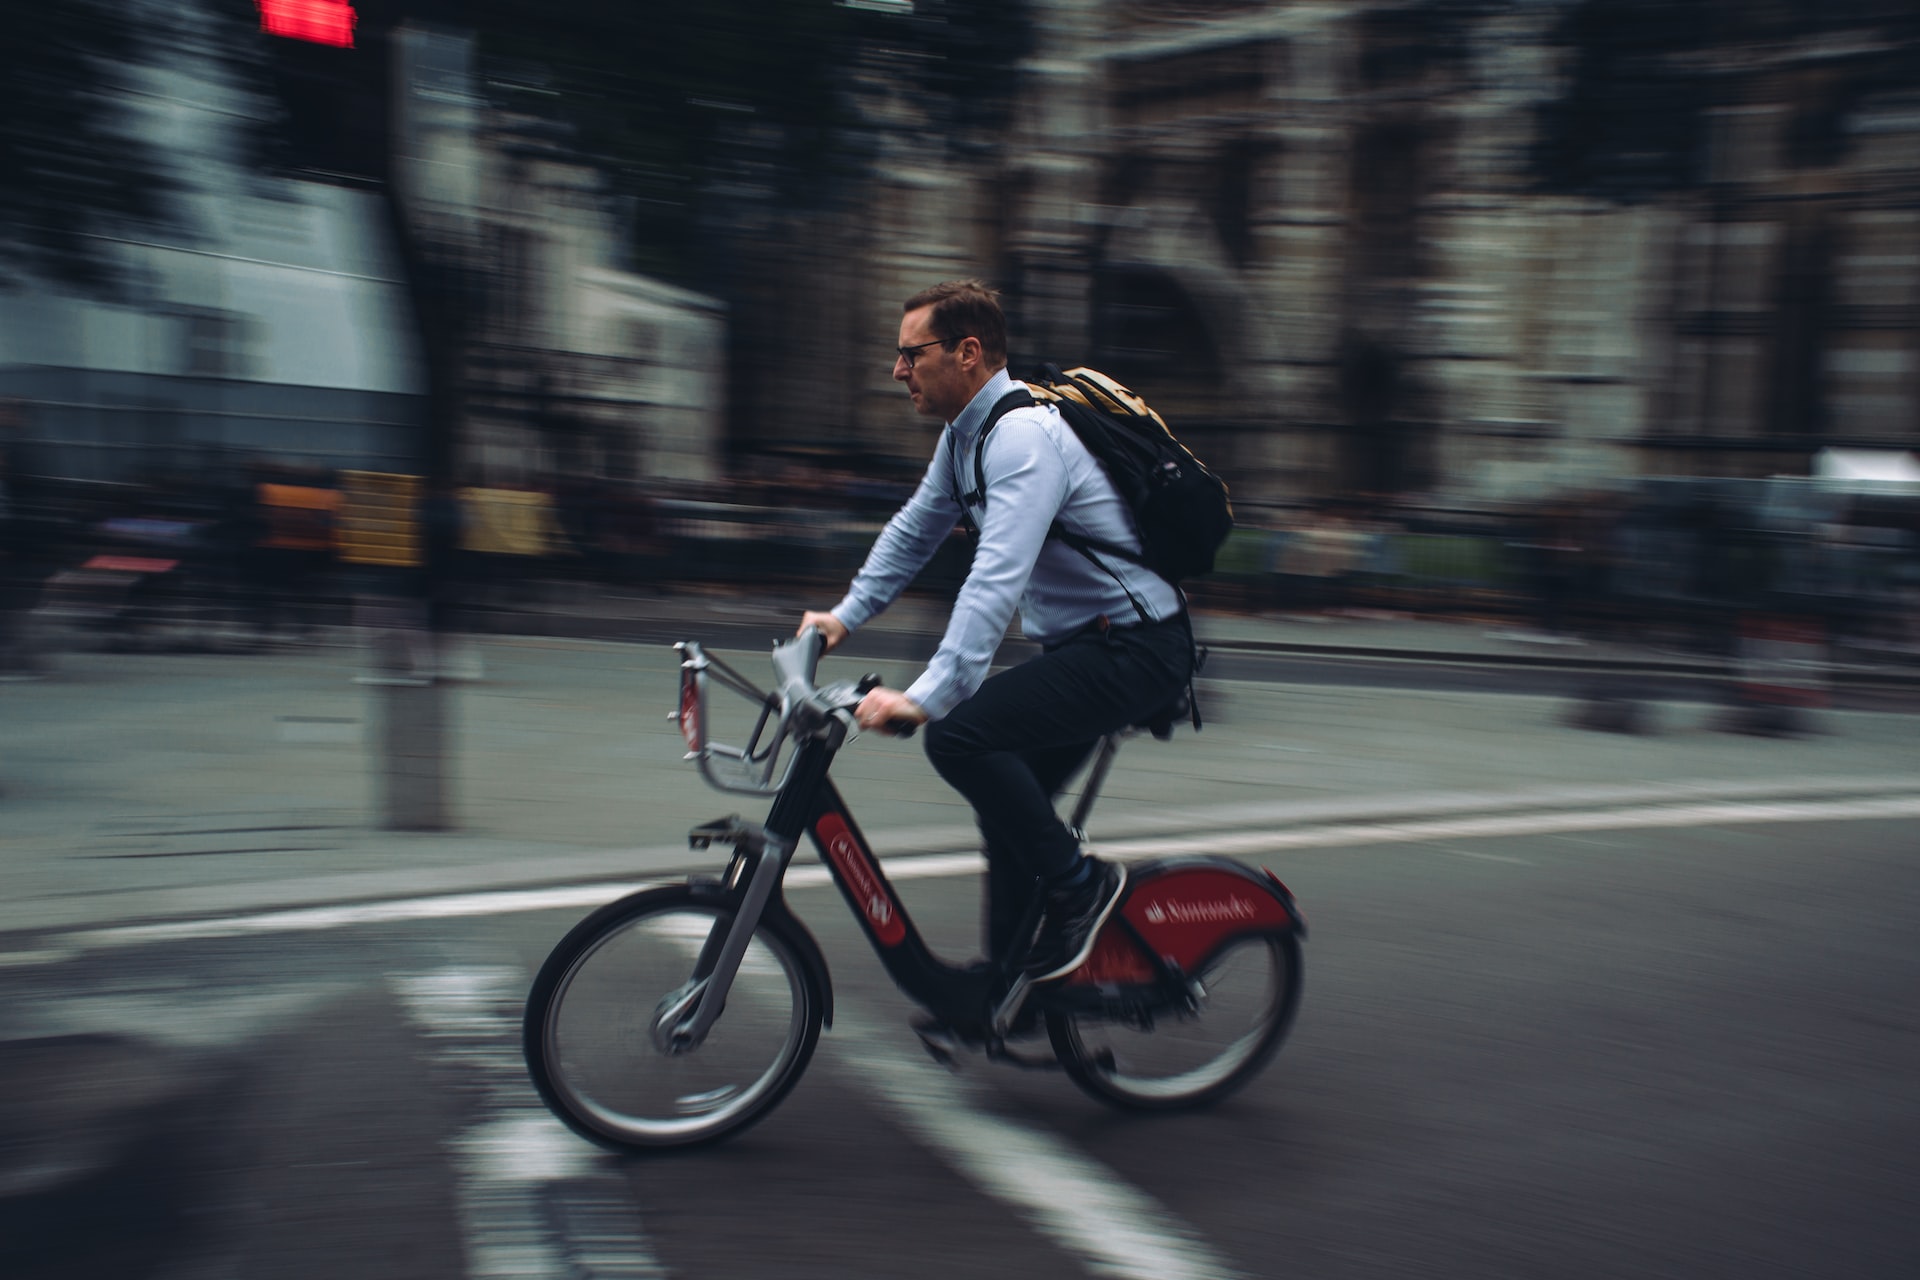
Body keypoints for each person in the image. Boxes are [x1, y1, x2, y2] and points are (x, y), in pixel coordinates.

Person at [798, 280, 1196, 1011]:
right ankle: (1014, 988)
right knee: (1012, 804)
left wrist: (927, 696)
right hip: (1091, 650)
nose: (897, 371)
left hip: (1139, 649)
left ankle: (1083, 888)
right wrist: (843, 617)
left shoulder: (1022, 438)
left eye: (910, 353)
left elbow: (995, 579)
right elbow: (914, 533)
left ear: (968, 352)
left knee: (957, 737)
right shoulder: (966, 439)